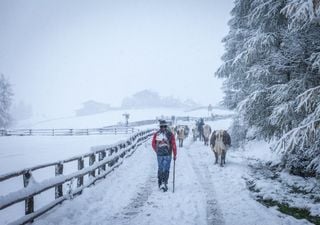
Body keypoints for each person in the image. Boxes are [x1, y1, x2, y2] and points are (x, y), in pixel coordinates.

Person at [152, 120, 177, 192]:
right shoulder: (170, 134)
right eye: (162, 126)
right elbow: (173, 145)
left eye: (163, 126)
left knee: (161, 168)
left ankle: (161, 183)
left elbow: (153, 144)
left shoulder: (157, 134)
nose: (163, 127)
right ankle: (164, 183)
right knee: (166, 169)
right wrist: (175, 154)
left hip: (161, 154)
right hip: (167, 154)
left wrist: (156, 150)